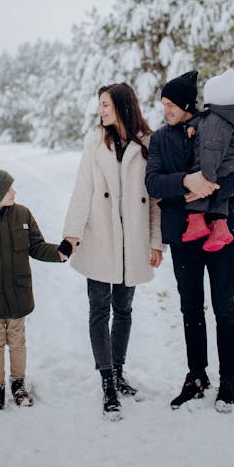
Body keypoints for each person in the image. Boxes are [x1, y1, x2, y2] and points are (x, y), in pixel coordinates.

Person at [145, 71, 234, 412]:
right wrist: (188, 181)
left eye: (171, 105)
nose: (166, 111)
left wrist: (212, 185)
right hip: (185, 236)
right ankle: (196, 376)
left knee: (224, 307)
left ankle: (228, 382)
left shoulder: (218, 124)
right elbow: (153, 183)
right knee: (191, 307)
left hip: (222, 235)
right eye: (162, 105)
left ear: (187, 104)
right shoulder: (161, 139)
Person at [63, 83, 163, 421]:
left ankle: (119, 372)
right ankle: (107, 380)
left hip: (131, 241)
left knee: (124, 310)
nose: (100, 111)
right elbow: (82, 190)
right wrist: (71, 236)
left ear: (121, 106)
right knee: (98, 310)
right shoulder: (94, 142)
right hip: (99, 237)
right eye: (99, 105)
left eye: (105, 105)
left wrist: (155, 241)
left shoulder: (147, 145)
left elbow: (154, 202)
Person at [0, 166, 70, 414]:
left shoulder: (22, 214)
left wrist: (59, 253)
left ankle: (18, 384)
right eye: (8, 189)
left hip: (18, 292)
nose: (14, 192)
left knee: (17, 341)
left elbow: (37, 246)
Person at [183, 68, 234, 252]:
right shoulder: (219, 117)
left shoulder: (215, 122)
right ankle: (219, 226)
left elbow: (210, 150)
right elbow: (203, 120)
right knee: (221, 197)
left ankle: (198, 222)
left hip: (214, 165)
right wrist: (193, 124)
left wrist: (206, 179)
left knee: (201, 184)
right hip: (226, 164)